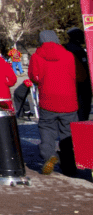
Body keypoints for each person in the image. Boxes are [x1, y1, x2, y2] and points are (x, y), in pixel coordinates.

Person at [29, 30, 79, 175]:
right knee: (68, 133)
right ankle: (69, 167)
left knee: (47, 129)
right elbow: (75, 74)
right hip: (69, 100)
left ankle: (49, 154)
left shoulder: (36, 56)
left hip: (48, 100)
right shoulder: (69, 55)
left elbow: (34, 77)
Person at [64, 28, 91, 122]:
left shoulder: (67, 48)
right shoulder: (77, 50)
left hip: (71, 84)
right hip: (80, 85)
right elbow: (83, 70)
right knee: (82, 112)